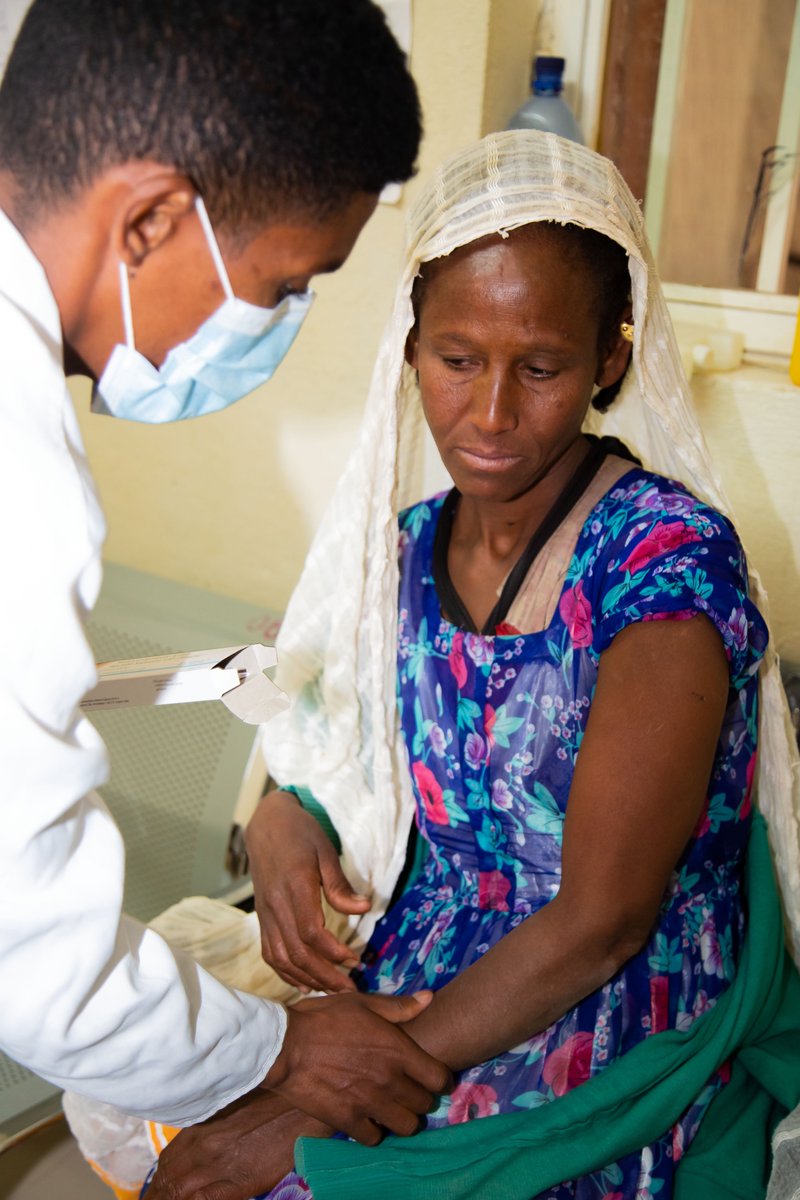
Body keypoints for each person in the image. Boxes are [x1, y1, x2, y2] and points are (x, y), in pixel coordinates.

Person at [145, 130, 800, 1199]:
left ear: (609, 360)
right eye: (457, 361)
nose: (491, 414)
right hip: (425, 962)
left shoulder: (662, 568)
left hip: (598, 997)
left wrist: (314, 1102)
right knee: (177, 1113)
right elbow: (328, 746)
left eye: (539, 368)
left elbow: (602, 921)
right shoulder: (402, 553)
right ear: (410, 348)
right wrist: (279, 820)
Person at [0, 0, 453, 1144]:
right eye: (285, 284)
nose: (280, 322)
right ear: (151, 220)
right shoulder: (18, 475)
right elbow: (31, 948)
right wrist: (277, 1050)